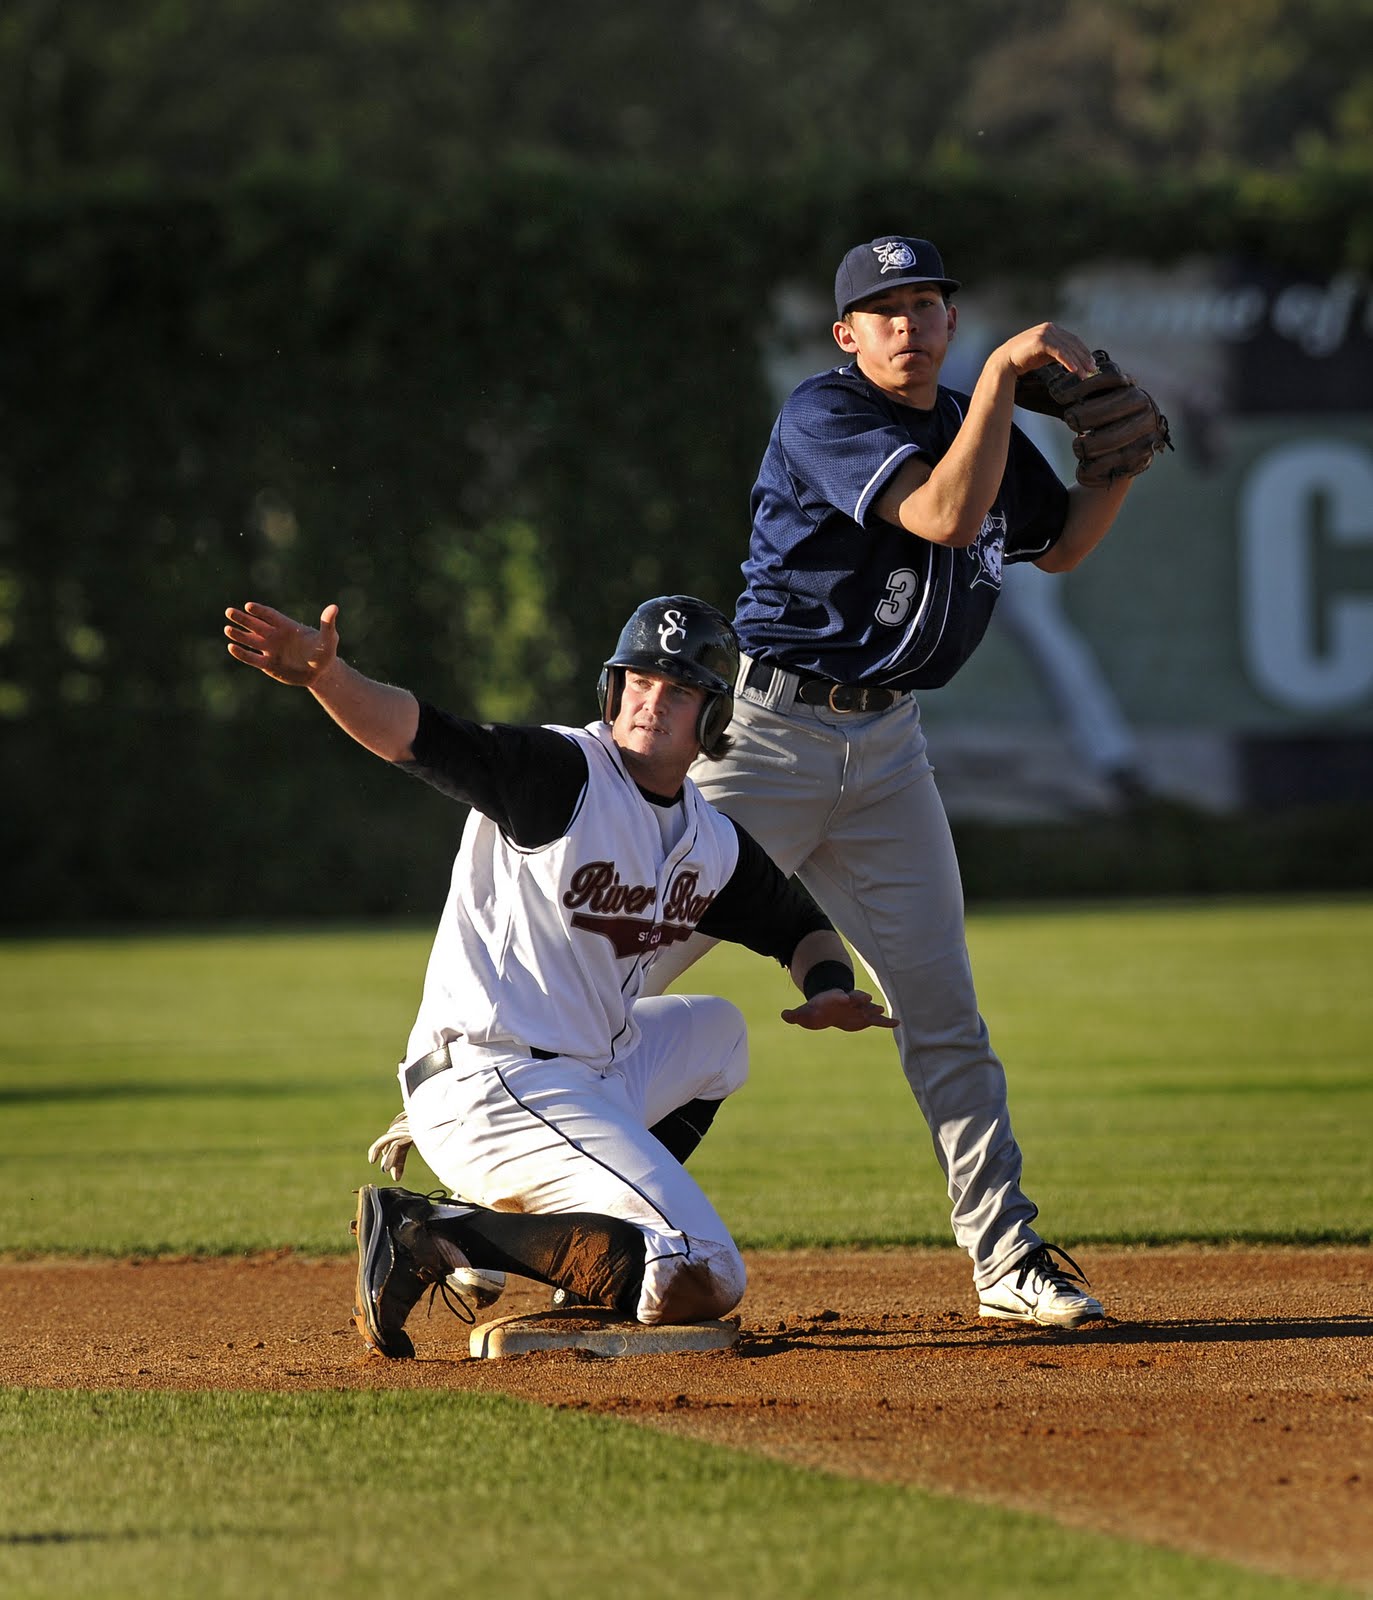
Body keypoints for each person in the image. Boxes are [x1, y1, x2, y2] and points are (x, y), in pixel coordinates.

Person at [644, 235, 1168, 1327]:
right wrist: (1008, 375)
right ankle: (483, 1195)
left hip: (887, 753)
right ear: (846, 335)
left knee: (943, 1014)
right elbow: (941, 517)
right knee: (625, 964)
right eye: (884, 309)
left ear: (949, 321)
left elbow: (1061, 546)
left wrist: (1109, 472)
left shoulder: (970, 423)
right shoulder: (823, 413)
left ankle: (1006, 1258)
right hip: (769, 743)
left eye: (926, 303)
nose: (908, 324)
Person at [224, 592, 896, 1357]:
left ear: (712, 716)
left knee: (719, 1033)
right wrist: (327, 676)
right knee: (705, 1272)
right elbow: (417, 735)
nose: (651, 701)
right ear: (612, 688)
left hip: (586, 1076)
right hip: (494, 1082)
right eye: (638, 680)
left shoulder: (708, 839)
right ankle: (435, 1231)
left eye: (678, 689)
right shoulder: (561, 773)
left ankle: (583, 1251)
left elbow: (798, 926)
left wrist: (827, 987)